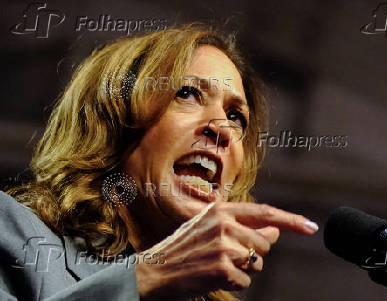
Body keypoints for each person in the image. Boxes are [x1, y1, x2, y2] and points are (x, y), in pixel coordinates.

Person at [1, 23, 319, 301]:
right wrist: (145, 278)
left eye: (235, 116)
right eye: (187, 93)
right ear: (112, 123)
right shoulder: (10, 231)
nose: (221, 128)